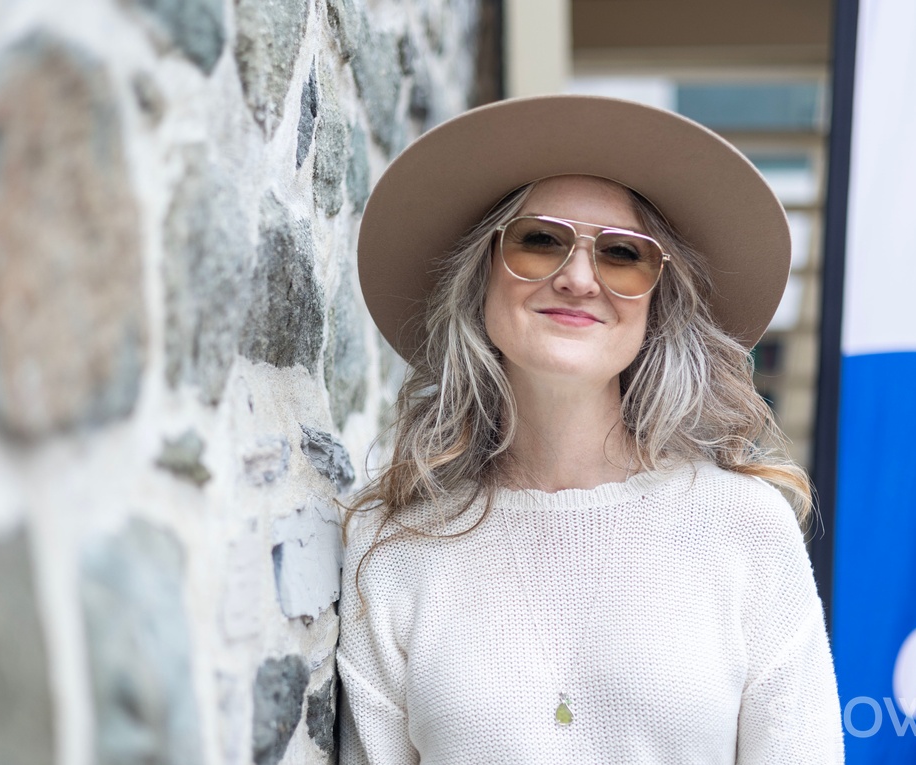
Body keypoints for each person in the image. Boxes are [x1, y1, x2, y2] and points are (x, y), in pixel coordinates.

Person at [337, 95, 843, 764]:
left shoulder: (742, 526)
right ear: (480, 273)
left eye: (622, 254)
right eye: (539, 239)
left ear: (660, 298)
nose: (578, 277)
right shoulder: (393, 542)